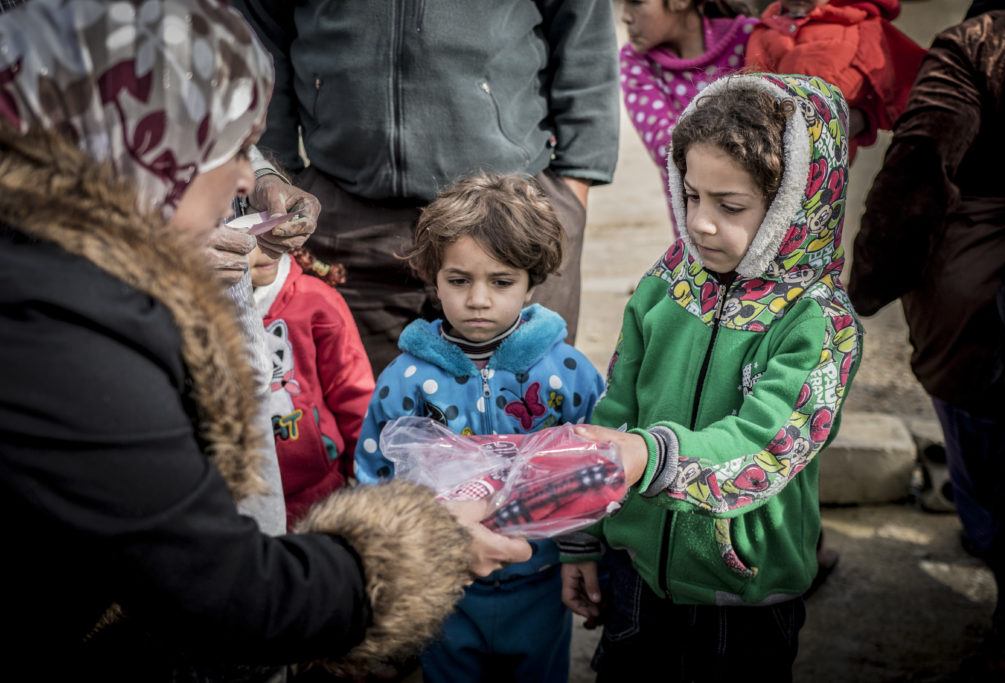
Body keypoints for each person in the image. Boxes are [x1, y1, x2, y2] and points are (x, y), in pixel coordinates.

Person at [0, 1, 533, 679]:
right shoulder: (63, 331)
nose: (248, 180)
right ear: (142, 147)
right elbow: (224, 589)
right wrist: (423, 543)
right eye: (227, 143)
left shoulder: (52, 270)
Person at [558, 73, 863, 680]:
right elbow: (617, 409)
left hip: (744, 598)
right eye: (691, 195)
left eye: (729, 206)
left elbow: (766, 443)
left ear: (795, 204)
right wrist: (582, 539)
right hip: (638, 580)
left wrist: (650, 456)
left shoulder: (819, 323)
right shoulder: (668, 283)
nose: (699, 223)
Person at [229, 0, 620, 374]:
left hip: (512, 216)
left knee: (526, 417)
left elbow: (584, 31)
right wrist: (273, 171)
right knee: (367, 422)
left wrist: (572, 189)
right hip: (347, 217)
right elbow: (258, 33)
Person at [354, 173, 606, 682]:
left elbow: (595, 467)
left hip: (541, 582)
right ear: (433, 275)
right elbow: (374, 475)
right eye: (459, 280)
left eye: (501, 281)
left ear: (533, 278)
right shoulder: (405, 379)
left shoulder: (568, 373)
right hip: (445, 587)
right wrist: (394, 568)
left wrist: (582, 552)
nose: (478, 300)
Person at [848, 5, 1005, 675]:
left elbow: (917, 171)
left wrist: (865, 284)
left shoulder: (982, 44)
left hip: (983, 323)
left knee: (986, 452)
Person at [249, 241, 375, 528]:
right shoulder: (194, 310)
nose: (264, 249)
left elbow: (353, 391)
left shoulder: (316, 300)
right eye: (247, 236)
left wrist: (372, 477)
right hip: (238, 502)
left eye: (271, 234)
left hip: (320, 495)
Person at [619, 0, 758, 238]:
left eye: (636, 3)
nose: (625, 17)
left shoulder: (751, 37)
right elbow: (668, 150)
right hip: (696, 234)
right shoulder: (637, 59)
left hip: (757, 229)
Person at [744, 0, 925, 161]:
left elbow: (901, 82)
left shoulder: (862, 27)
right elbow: (754, 84)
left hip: (831, 148)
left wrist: (866, 116)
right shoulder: (765, 31)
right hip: (771, 139)